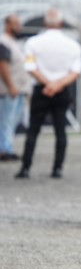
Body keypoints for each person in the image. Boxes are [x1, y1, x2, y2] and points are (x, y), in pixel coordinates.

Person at [15, 8, 81, 180]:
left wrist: (47, 84)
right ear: (60, 23)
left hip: (41, 89)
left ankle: (26, 167)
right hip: (61, 90)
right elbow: (75, 72)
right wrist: (58, 84)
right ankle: (57, 168)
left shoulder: (33, 42)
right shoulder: (73, 45)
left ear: (45, 23)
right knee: (60, 129)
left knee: (33, 130)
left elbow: (30, 67)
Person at [0, 14, 31, 162]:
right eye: (16, 24)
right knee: (6, 121)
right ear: (8, 25)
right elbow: (3, 66)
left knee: (11, 121)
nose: (19, 27)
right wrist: (11, 86)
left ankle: (7, 147)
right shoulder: (3, 42)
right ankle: (4, 149)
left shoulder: (13, 43)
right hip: (8, 91)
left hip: (17, 90)